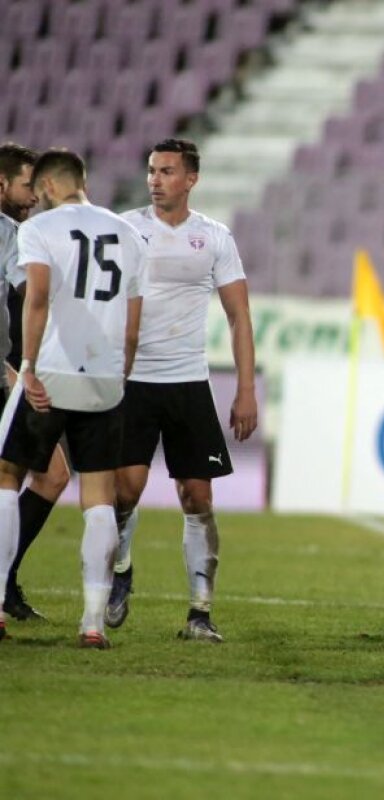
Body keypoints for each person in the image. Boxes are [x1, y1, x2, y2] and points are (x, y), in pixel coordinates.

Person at [105, 138, 257, 642]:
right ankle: (121, 567)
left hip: (188, 382)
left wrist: (245, 390)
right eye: (151, 170)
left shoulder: (214, 237)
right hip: (133, 382)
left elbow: (239, 317)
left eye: (166, 171)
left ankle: (199, 613)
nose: (154, 179)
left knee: (197, 496)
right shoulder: (126, 229)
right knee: (124, 490)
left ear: (191, 179)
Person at [0, 149, 144, 647]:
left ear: (50, 188)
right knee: (98, 498)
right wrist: (120, 375)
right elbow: (132, 322)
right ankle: (92, 623)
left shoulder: (37, 230)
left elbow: (36, 299)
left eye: (39, 193)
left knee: (6, 476)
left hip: (52, 373)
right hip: (105, 379)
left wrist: (31, 368)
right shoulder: (128, 233)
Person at [0, 142, 72, 622]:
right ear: (2, 184)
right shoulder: (11, 233)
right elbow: (30, 289)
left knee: (51, 473)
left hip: (6, 367)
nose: (34, 196)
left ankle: (5, 581)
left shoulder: (14, 232)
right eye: (28, 185)